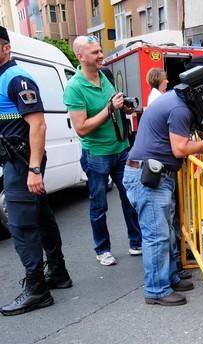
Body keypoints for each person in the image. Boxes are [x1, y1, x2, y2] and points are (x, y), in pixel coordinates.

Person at [122, 88, 203, 306]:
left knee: (167, 233)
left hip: (156, 174)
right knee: (157, 235)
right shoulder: (180, 109)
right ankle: (156, 290)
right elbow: (180, 149)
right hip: (149, 176)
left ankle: (169, 278)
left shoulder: (174, 101)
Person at [0, 26, 73, 316]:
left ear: (5, 47)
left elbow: (37, 125)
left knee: (21, 225)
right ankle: (57, 272)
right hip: (18, 160)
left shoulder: (16, 78)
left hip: (22, 163)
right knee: (42, 217)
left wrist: (33, 169)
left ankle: (37, 289)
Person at [63, 35, 142, 266]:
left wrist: (124, 108)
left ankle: (135, 242)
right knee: (99, 205)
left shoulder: (105, 75)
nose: (101, 55)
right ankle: (103, 249)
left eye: (100, 50)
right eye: (95, 52)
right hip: (96, 154)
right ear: (81, 56)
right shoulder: (74, 88)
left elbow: (115, 107)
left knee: (130, 198)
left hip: (121, 148)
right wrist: (110, 109)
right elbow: (81, 129)